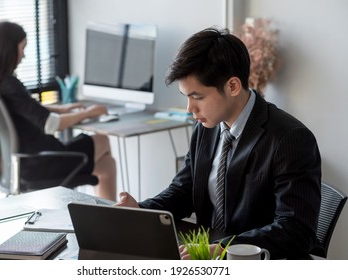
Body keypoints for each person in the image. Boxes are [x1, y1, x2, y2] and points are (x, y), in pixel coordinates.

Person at [115, 27, 322, 259]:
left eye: (198, 97)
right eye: (187, 97)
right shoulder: (206, 127)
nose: (190, 109)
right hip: (206, 256)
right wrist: (141, 212)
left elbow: (296, 230)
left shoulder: (290, 138)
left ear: (232, 86)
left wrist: (225, 249)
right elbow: (184, 191)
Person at [0, 21, 117, 201]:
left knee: (106, 166)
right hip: (41, 164)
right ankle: (112, 219)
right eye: (22, 48)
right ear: (9, 49)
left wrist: (64, 109)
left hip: (21, 164)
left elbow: (26, 108)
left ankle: (107, 217)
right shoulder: (9, 83)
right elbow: (50, 124)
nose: (23, 55)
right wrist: (89, 112)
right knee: (102, 140)